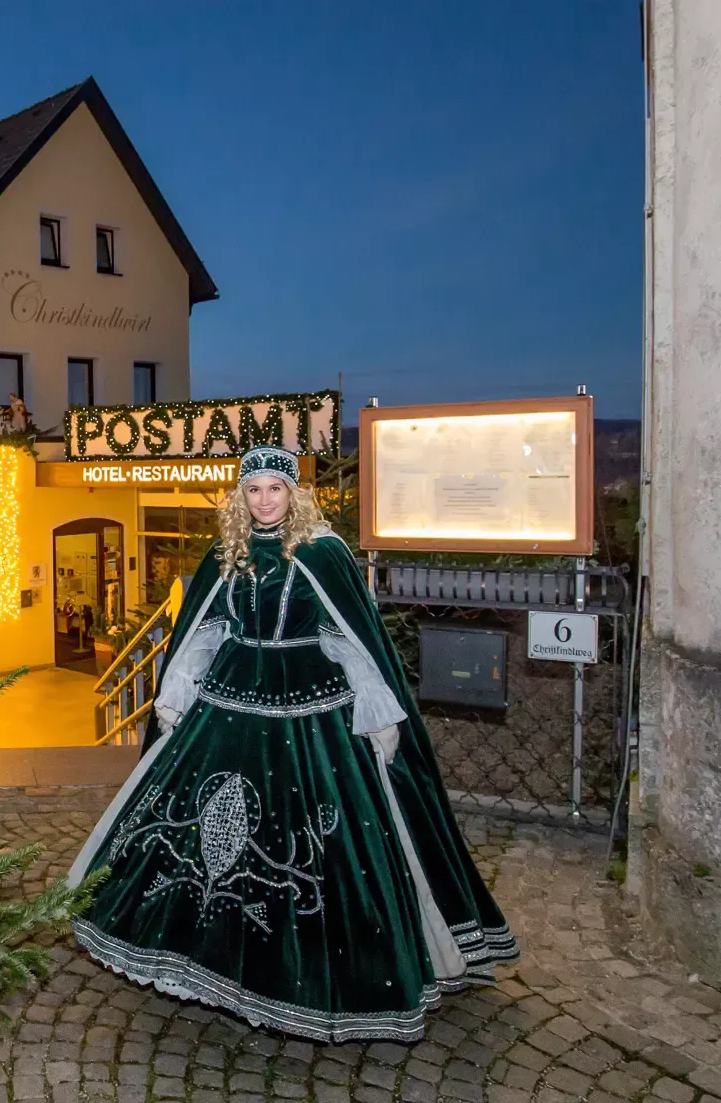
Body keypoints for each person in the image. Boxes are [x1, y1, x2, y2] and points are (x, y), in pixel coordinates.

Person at [68, 446, 518, 1042]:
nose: (263, 501)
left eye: (274, 489)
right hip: (227, 699)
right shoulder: (225, 554)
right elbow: (203, 628)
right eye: (252, 491)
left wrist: (378, 711)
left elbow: (352, 636)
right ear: (240, 497)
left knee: (318, 837)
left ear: (293, 492)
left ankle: (305, 970)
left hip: (311, 707)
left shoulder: (323, 553)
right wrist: (177, 689)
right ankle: (208, 955)